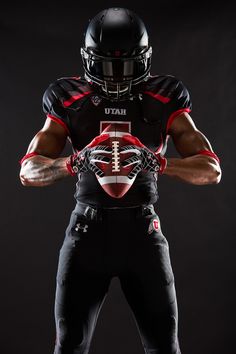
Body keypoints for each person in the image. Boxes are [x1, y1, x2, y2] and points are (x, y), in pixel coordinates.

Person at [19, 7, 222, 354]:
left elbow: (211, 169)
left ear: (144, 61)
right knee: (69, 345)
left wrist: (157, 163)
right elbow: (28, 171)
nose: (115, 77)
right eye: (106, 66)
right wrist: (74, 162)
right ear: (88, 60)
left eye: (125, 66)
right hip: (87, 231)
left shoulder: (164, 95)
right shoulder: (69, 96)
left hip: (142, 232)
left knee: (165, 347)